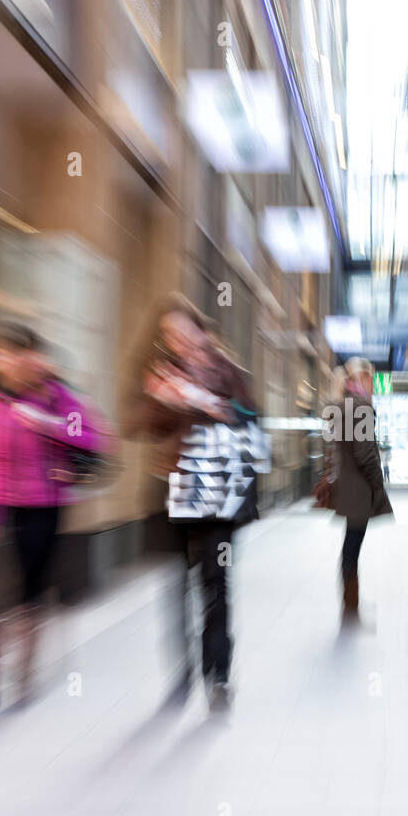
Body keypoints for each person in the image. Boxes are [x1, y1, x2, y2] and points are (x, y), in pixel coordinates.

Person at [0, 321, 110, 714]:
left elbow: (91, 436)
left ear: (30, 356)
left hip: (41, 507)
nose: (6, 360)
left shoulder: (55, 395)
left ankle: (24, 676)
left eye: (15, 352)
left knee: (29, 597)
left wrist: (47, 423)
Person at [123, 294, 258, 713]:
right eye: (169, 334)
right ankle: (182, 669)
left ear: (201, 330)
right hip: (171, 493)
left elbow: (250, 417)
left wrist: (209, 403)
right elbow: (131, 424)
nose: (177, 339)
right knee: (176, 588)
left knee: (216, 586)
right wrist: (159, 400)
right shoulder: (159, 373)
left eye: (184, 330)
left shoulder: (227, 372)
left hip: (215, 493)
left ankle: (218, 675)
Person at [330, 357, 393, 627]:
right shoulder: (360, 407)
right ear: (360, 380)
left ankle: (350, 603)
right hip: (359, 490)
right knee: (352, 547)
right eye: (370, 379)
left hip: (348, 488)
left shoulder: (343, 406)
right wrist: (378, 482)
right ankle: (350, 605)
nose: (374, 384)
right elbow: (365, 454)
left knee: (350, 545)